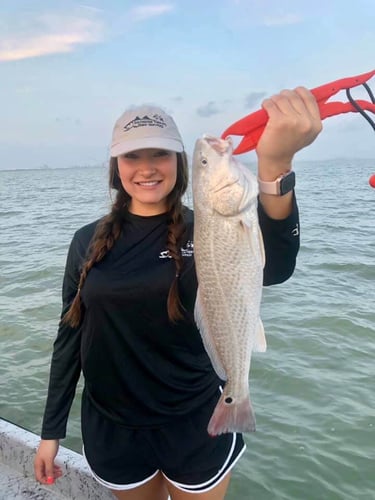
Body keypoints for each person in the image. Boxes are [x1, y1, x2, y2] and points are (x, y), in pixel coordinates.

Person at [34, 87, 322, 500]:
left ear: (179, 164)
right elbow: (70, 337)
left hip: (197, 422)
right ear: (116, 166)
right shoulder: (86, 241)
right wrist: (51, 432)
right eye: (133, 155)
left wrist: (276, 168)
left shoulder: (205, 228)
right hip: (114, 429)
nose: (147, 168)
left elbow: (275, 267)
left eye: (160, 154)